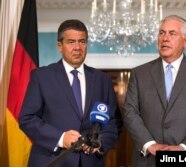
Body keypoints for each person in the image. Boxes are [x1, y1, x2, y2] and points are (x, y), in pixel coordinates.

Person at [19, 19, 122, 167]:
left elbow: (113, 122)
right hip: (52, 160)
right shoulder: (41, 77)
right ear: (59, 46)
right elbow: (27, 119)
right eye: (71, 42)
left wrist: (100, 143)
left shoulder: (102, 80)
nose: (77, 47)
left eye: (82, 42)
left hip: (91, 162)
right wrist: (60, 138)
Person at [122, 15, 186, 166]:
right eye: (161, 33)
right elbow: (130, 112)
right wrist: (149, 144)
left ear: (185, 41)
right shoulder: (139, 74)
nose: (165, 38)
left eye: (172, 33)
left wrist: (183, 148)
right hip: (147, 160)